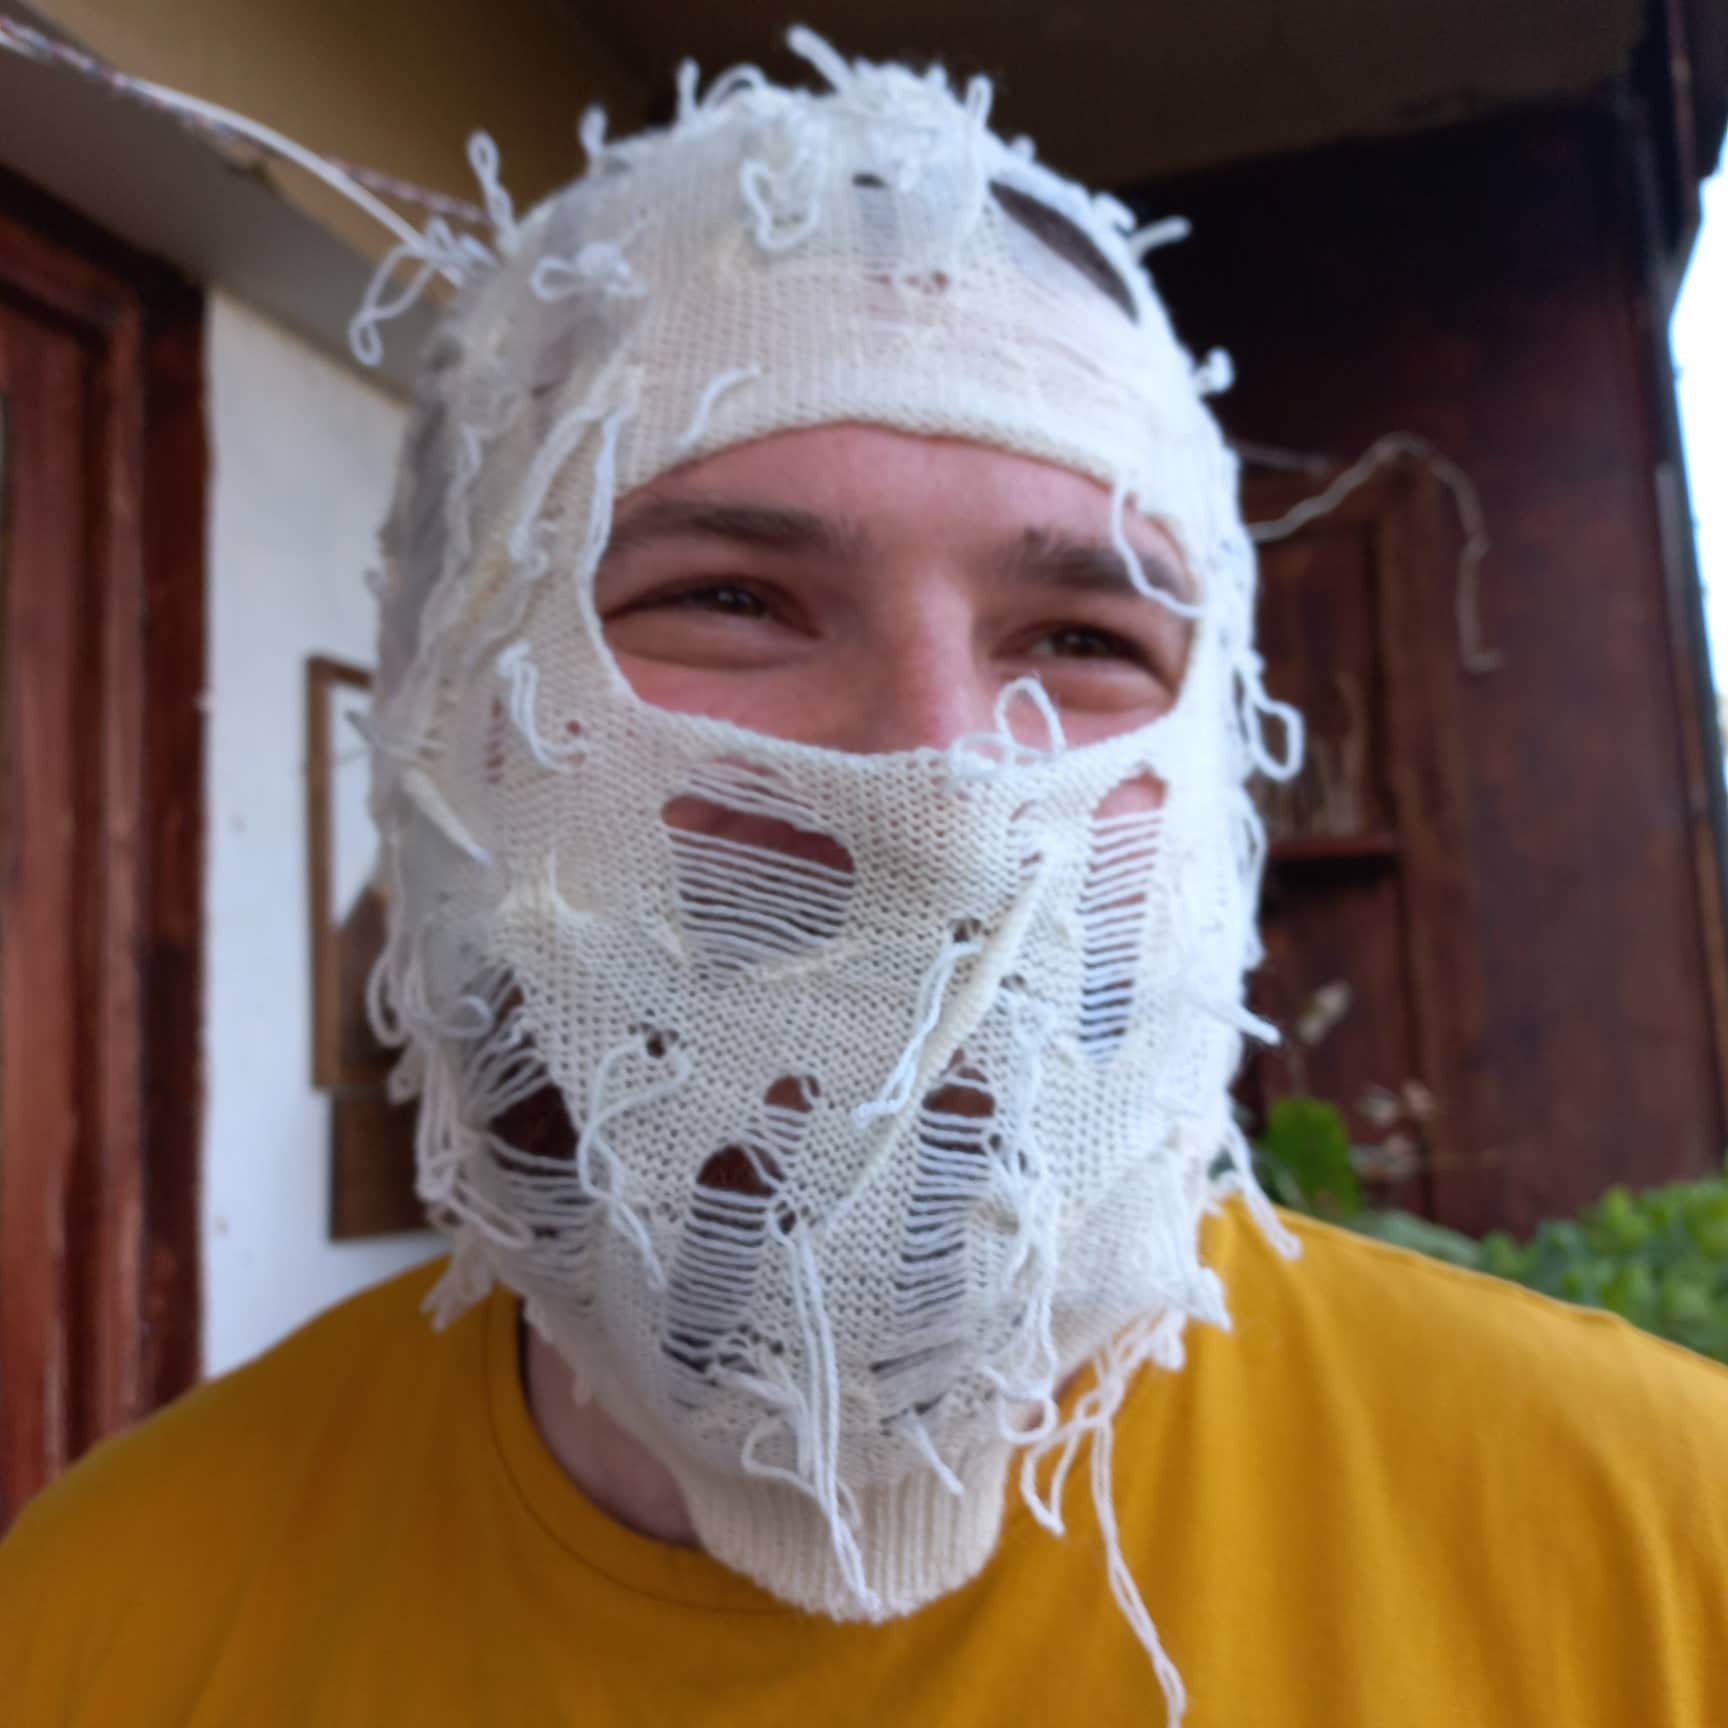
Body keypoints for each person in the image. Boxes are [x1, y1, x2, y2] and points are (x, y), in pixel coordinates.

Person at [3, 29, 1726, 1728]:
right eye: (727, 601)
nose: (939, 795)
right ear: (449, 728)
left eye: (1084, 638)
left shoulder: (1664, 1553)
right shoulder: (97, 1623)